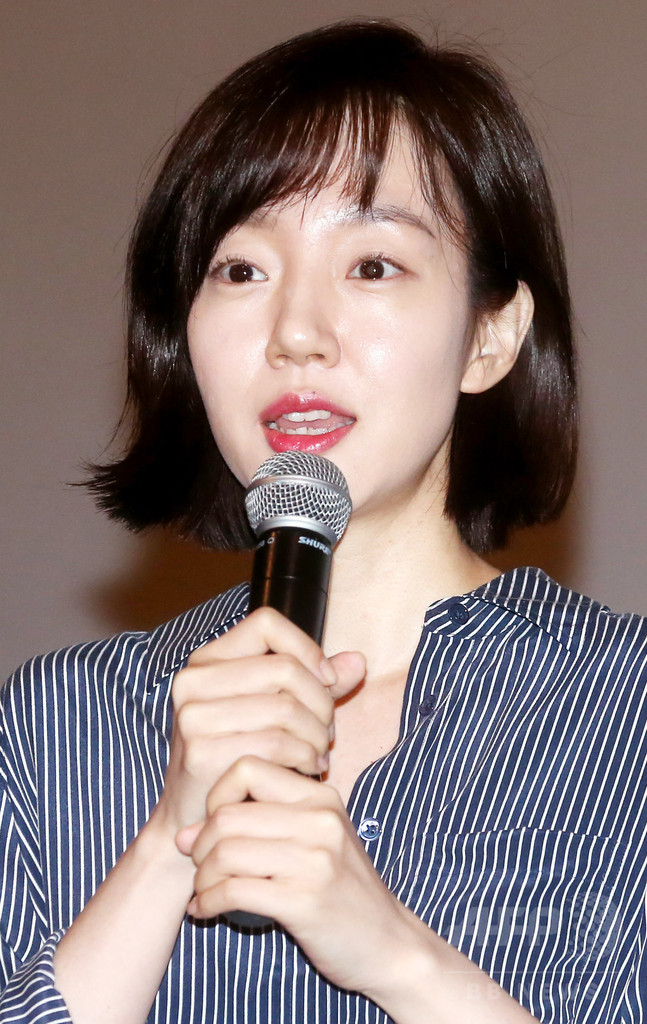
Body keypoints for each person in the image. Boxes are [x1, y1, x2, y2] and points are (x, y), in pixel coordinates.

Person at [1, 18, 645, 1024]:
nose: (295, 333)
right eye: (241, 270)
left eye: (372, 264)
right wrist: (167, 842)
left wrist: (397, 958)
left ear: (489, 336)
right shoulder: (63, 722)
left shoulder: (620, 712)